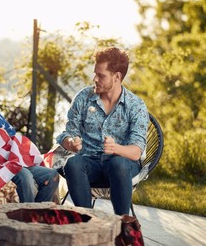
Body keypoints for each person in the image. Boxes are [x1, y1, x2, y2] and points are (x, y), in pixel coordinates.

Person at [56, 47, 149, 215]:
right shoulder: (83, 98)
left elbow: (136, 152)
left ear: (117, 76)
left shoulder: (136, 106)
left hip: (123, 168)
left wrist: (116, 149)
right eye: (95, 74)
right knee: (72, 163)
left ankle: (122, 224)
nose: (95, 79)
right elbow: (67, 133)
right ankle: (87, 220)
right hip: (90, 164)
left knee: (117, 163)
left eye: (101, 75)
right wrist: (70, 143)